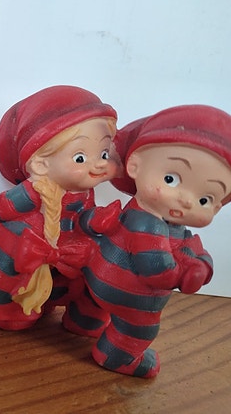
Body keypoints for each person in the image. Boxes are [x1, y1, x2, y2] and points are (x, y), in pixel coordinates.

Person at [78, 104, 231, 377]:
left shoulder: (166, 222)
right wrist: (183, 273)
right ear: (134, 165)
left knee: (95, 306)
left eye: (204, 199)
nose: (186, 200)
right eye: (171, 179)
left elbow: (191, 247)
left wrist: (202, 265)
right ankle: (116, 357)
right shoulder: (147, 224)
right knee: (140, 327)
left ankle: (82, 322)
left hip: (99, 276)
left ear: (218, 207)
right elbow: (157, 273)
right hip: (127, 294)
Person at [0, 85, 119, 333]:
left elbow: (80, 218)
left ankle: (81, 315)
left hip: (63, 250)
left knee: (99, 256)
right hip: (26, 252)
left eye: (104, 153)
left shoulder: (84, 193)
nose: (98, 165)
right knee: (14, 251)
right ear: (41, 164)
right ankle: (5, 309)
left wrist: (95, 221)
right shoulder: (33, 192)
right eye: (80, 158)